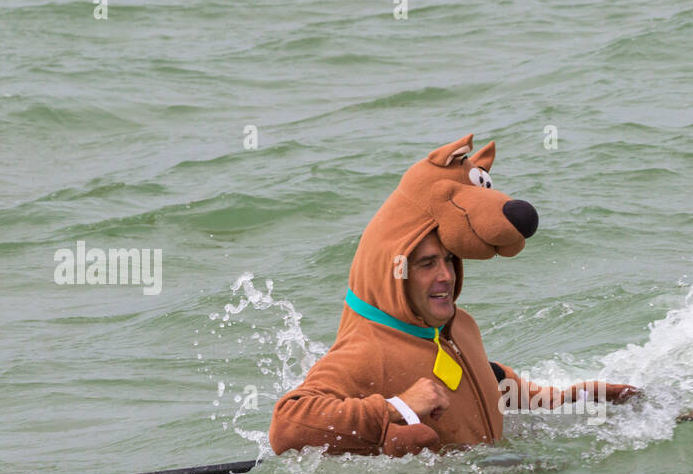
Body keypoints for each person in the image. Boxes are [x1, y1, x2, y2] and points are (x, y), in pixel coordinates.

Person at [268, 134, 638, 457]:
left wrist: (568, 398)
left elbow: (485, 379)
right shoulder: (367, 349)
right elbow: (287, 425)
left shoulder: (456, 325)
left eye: (448, 260)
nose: (445, 275)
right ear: (398, 271)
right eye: (427, 264)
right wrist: (396, 407)